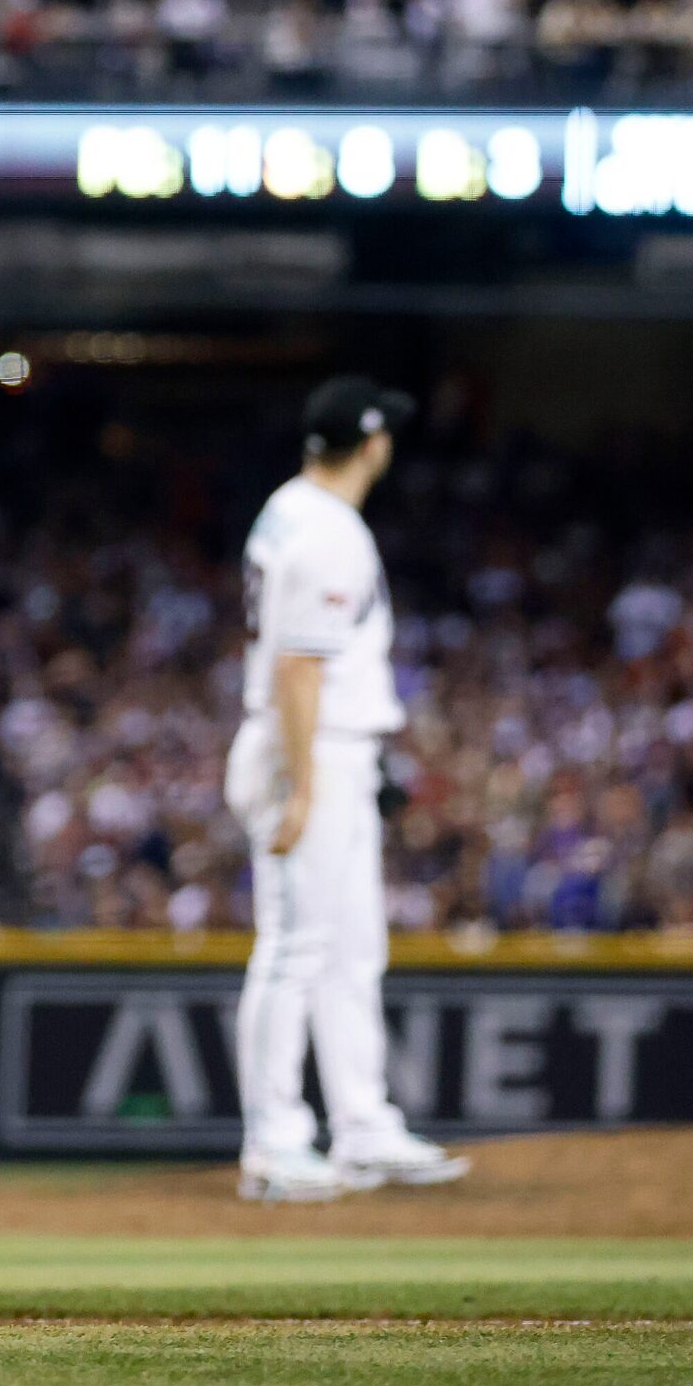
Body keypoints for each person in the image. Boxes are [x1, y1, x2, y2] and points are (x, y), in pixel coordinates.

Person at [224, 376, 467, 1203]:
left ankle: (362, 1126)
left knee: (351, 950)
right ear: (372, 445)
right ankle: (274, 1142)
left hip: (334, 746)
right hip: (309, 748)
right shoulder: (330, 531)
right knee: (294, 949)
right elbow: (297, 666)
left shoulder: (287, 506)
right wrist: (302, 786)